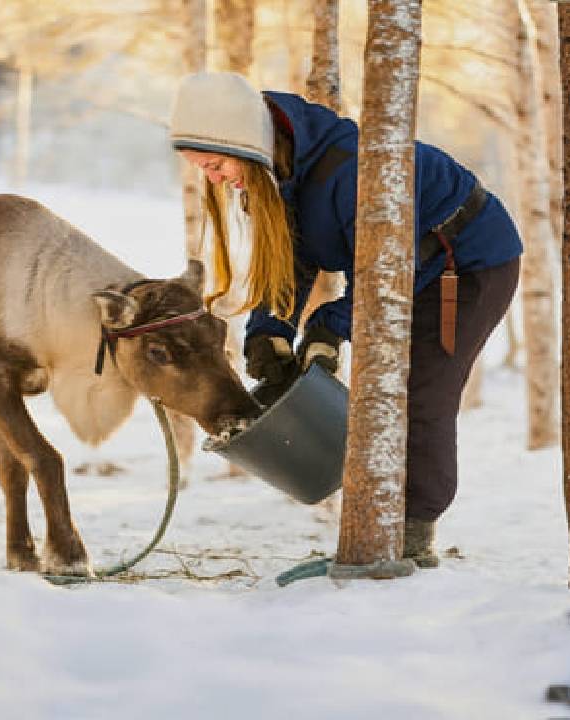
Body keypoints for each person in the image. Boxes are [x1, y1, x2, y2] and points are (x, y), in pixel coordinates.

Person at [168, 72, 522, 568]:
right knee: (382, 391)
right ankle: (381, 520)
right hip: (402, 268)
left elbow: (381, 269)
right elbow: (289, 254)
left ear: (244, 143)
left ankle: (412, 532)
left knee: (420, 391)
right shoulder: (281, 166)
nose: (213, 178)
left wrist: (331, 324)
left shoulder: (350, 170)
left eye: (214, 165)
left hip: (461, 266)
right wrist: (269, 332)